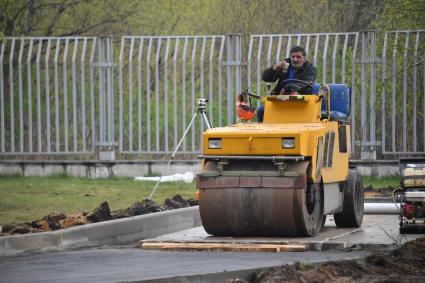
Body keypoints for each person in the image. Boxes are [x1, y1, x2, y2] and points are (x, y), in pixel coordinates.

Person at [257, 45, 317, 122]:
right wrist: (274, 69)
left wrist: (286, 88)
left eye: (298, 57)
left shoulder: (311, 69)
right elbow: (266, 78)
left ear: (304, 59)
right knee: (261, 110)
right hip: (280, 100)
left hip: (300, 102)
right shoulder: (285, 64)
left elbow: (307, 85)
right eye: (293, 57)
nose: (295, 59)